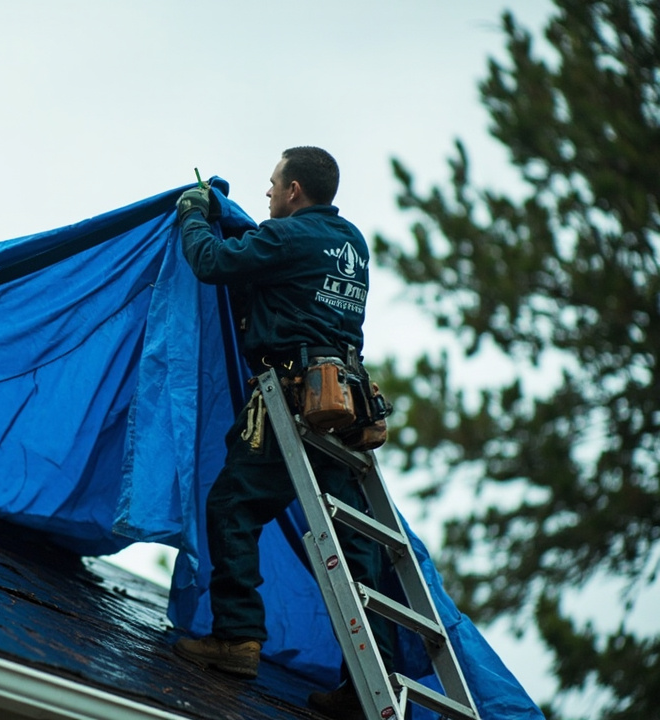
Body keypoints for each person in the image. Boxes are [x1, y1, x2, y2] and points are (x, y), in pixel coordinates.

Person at [170, 147, 394, 720]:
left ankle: (237, 639)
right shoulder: (352, 244)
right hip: (344, 405)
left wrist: (194, 215)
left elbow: (214, 262)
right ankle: (372, 682)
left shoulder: (291, 238)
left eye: (272, 186)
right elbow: (283, 291)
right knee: (358, 547)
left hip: (290, 401)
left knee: (231, 507)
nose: (267, 196)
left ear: (295, 191)